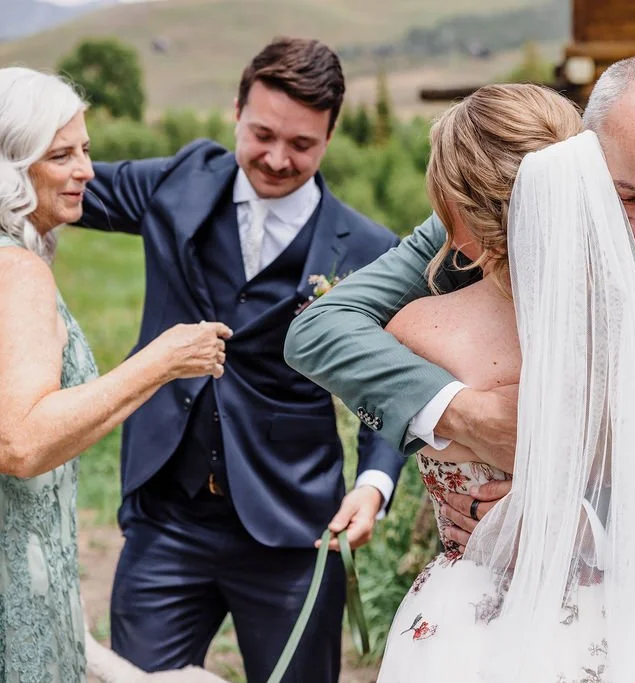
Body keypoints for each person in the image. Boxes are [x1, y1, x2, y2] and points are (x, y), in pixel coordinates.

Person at [286, 59, 635, 683]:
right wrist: (465, 411)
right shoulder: (477, 219)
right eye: (623, 195)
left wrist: (578, 524)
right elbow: (319, 329)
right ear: (582, 159)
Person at [76, 38, 406, 682]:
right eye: (262, 134)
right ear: (236, 110)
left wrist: (374, 484)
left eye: (303, 145)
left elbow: (389, 389)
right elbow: (62, 184)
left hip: (294, 533)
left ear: (331, 136)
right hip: (165, 520)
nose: (278, 159)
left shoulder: (366, 249)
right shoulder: (178, 182)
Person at [0, 67, 228, 683]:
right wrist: (160, 362)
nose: (88, 172)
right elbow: (20, 444)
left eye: (87, 150)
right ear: (12, 167)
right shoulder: (16, 272)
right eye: (62, 155)